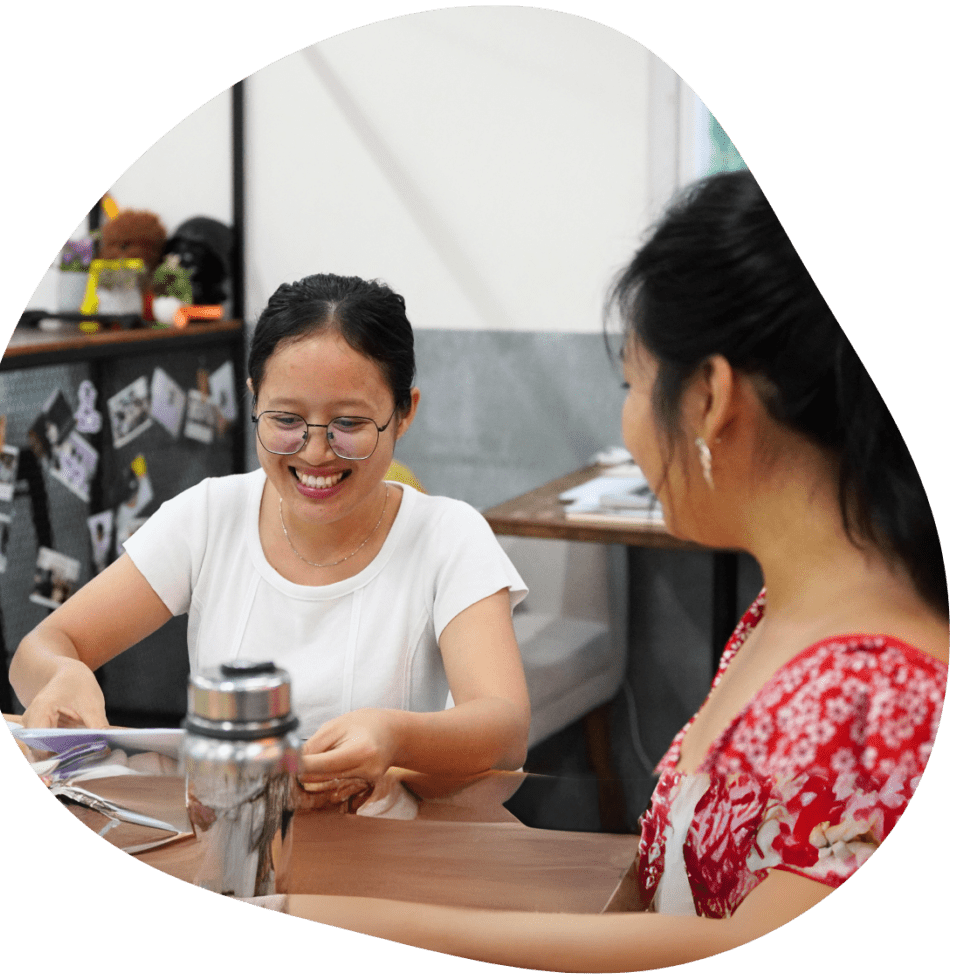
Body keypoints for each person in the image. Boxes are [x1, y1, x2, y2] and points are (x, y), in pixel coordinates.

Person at [283, 171, 949, 969]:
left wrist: (367, 920)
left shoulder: (888, 688)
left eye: (632, 384)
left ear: (709, 396)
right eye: (287, 419)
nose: (628, 421)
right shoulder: (786, 610)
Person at [10, 273, 531, 793]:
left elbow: (505, 728)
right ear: (254, 400)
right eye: (286, 419)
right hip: (223, 837)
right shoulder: (210, 516)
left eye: (349, 423)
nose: (315, 451)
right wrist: (61, 674)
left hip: (383, 845)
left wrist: (396, 735)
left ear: (403, 414)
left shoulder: (449, 536)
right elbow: (45, 646)